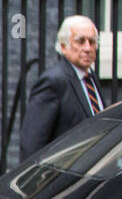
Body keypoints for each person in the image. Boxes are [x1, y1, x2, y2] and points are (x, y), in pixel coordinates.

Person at [19, 15, 104, 159]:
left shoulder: (91, 77)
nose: (88, 48)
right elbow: (32, 142)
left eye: (92, 41)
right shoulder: (53, 81)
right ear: (64, 46)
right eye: (80, 41)